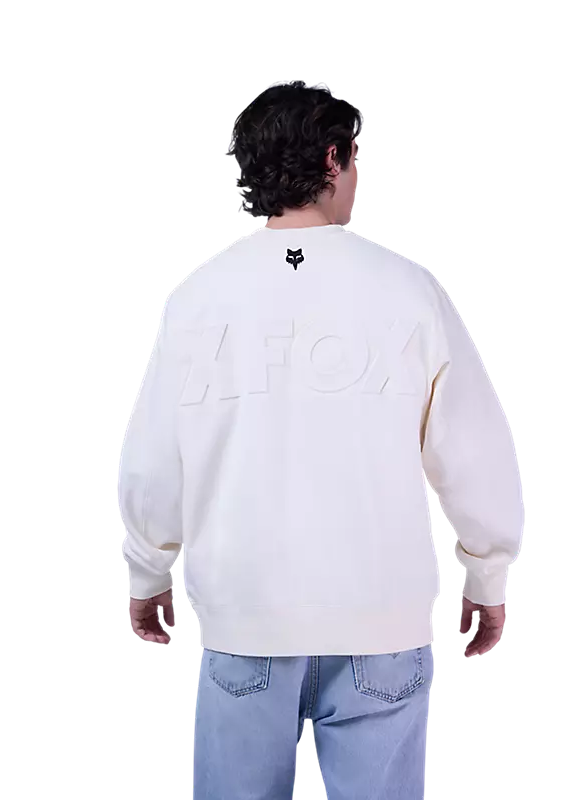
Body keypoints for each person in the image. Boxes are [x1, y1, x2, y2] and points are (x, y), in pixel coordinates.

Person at [117, 79, 524, 800]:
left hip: (245, 619)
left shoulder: (198, 296)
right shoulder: (408, 288)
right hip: (381, 620)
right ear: (334, 158)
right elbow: (474, 451)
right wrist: (487, 573)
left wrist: (148, 571)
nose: (357, 177)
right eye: (356, 159)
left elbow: (152, 460)